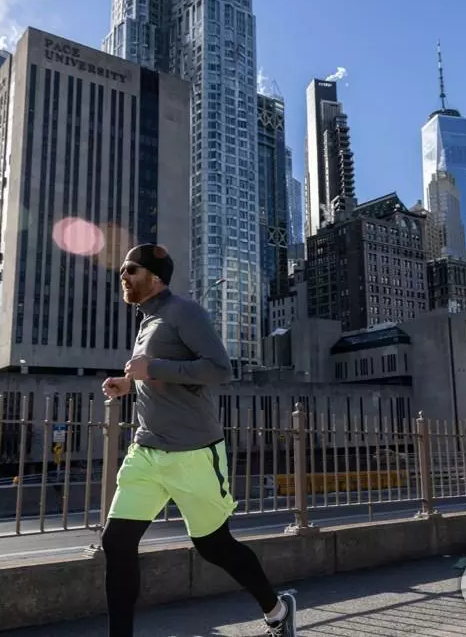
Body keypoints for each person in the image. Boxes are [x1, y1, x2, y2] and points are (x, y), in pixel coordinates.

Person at [100, 244, 297, 637]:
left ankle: (277, 610)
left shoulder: (184, 312)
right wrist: (128, 382)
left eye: (131, 269)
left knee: (213, 545)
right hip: (147, 450)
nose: (123, 276)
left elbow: (219, 369)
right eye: (122, 269)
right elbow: (154, 375)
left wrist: (151, 367)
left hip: (192, 453)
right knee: (116, 542)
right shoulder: (147, 320)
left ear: (155, 276)